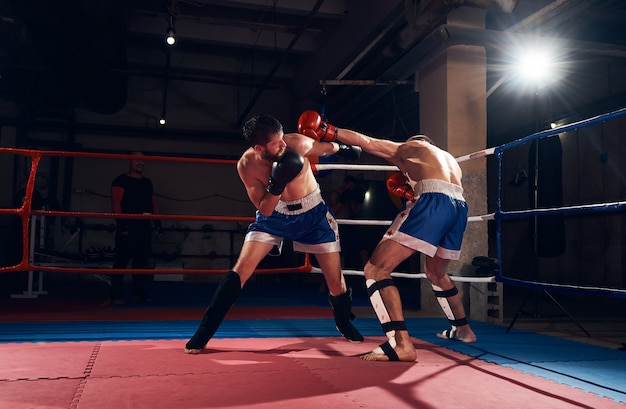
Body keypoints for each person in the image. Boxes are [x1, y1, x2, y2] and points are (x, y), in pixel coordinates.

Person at [297, 110, 477, 362]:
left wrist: (331, 131)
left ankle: (400, 343)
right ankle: (463, 330)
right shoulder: (447, 159)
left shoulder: (409, 147)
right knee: (436, 272)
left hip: (433, 200)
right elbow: (441, 187)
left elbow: (365, 142)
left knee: (375, 269)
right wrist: (411, 190)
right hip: (459, 206)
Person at [184, 114, 364, 354]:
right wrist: (278, 182)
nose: (282, 145)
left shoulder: (295, 143)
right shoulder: (246, 165)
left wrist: (344, 149)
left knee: (334, 281)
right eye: (275, 143)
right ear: (259, 148)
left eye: (282, 139)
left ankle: (343, 322)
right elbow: (265, 208)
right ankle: (204, 332)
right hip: (274, 216)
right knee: (241, 270)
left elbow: (323, 147)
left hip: (313, 214)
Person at [109, 151, 161, 304]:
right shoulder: (121, 181)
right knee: (121, 260)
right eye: (137, 160)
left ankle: (138, 293)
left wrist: (158, 223)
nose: (141, 163)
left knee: (141, 261)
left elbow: (152, 203)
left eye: (143, 161)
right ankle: (115, 295)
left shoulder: (147, 183)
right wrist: (121, 224)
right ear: (130, 162)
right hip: (128, 225)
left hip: (143, 224)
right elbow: (116, 203)